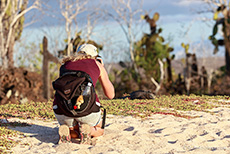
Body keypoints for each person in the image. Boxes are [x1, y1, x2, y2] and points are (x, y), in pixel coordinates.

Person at [53, 44, 115, 144]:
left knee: (72, 127)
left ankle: (69, 131)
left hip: (62, 108)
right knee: (99, 129)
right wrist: (101, 69)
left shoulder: (64, 65)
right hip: (87, 108)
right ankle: (89, 130)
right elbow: (110, 95)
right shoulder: (96, 64)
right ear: (95, 56)